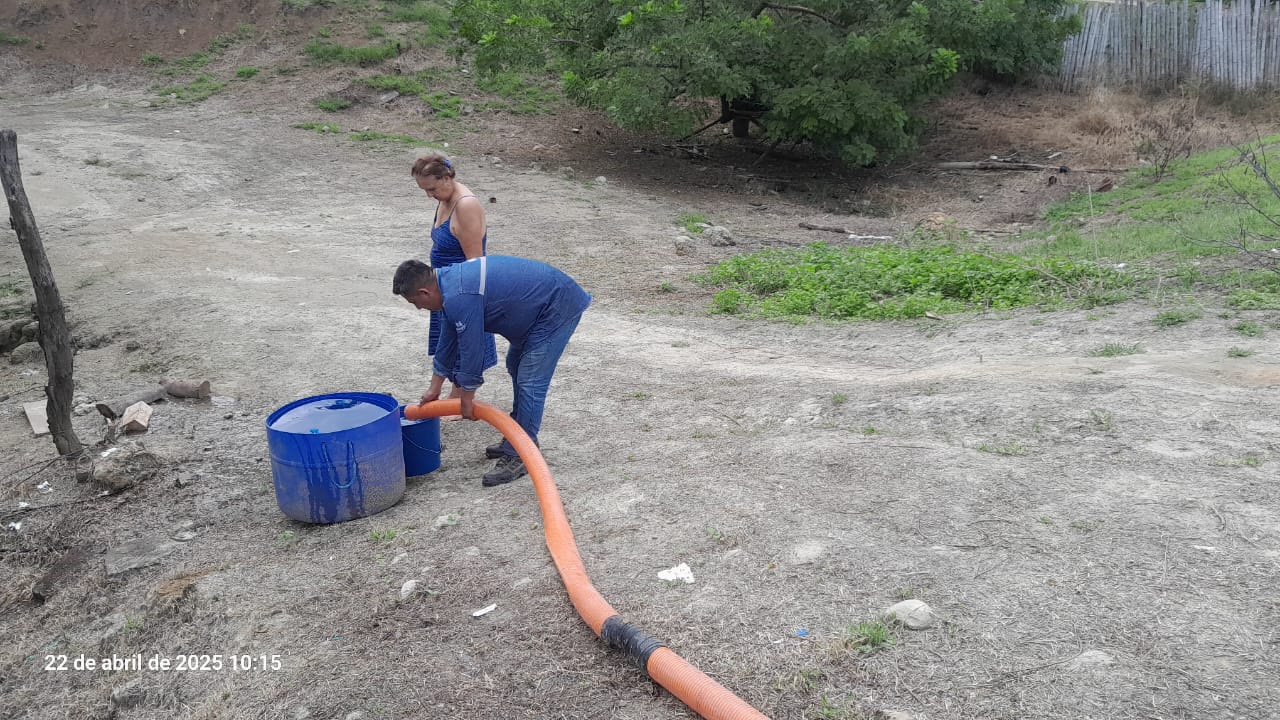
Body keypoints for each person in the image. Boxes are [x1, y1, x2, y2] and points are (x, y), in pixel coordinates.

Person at [393, 256, 592, 487]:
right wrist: (434, 388)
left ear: (424, 292)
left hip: (556, 306)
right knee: (515, 363)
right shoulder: (447, 285)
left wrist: (467, 396)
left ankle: (521, 453)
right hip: (540, 305)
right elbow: (448, 339)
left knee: (530, 379)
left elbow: (472, 348)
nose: (418, 308)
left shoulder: (460, 294)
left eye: (414, 302)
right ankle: (517, 436)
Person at [411, 153, 498, 408]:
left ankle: (459, 396)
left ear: (447, 178)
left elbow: (475, 264)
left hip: (461, 290)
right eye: (425, 190)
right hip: (442, 288)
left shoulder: (466, 206)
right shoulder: (445, 198)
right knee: (447, 342)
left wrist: (465, 301)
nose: (429, 196)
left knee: (461, 339)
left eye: (432, 189)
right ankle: (453, 391)